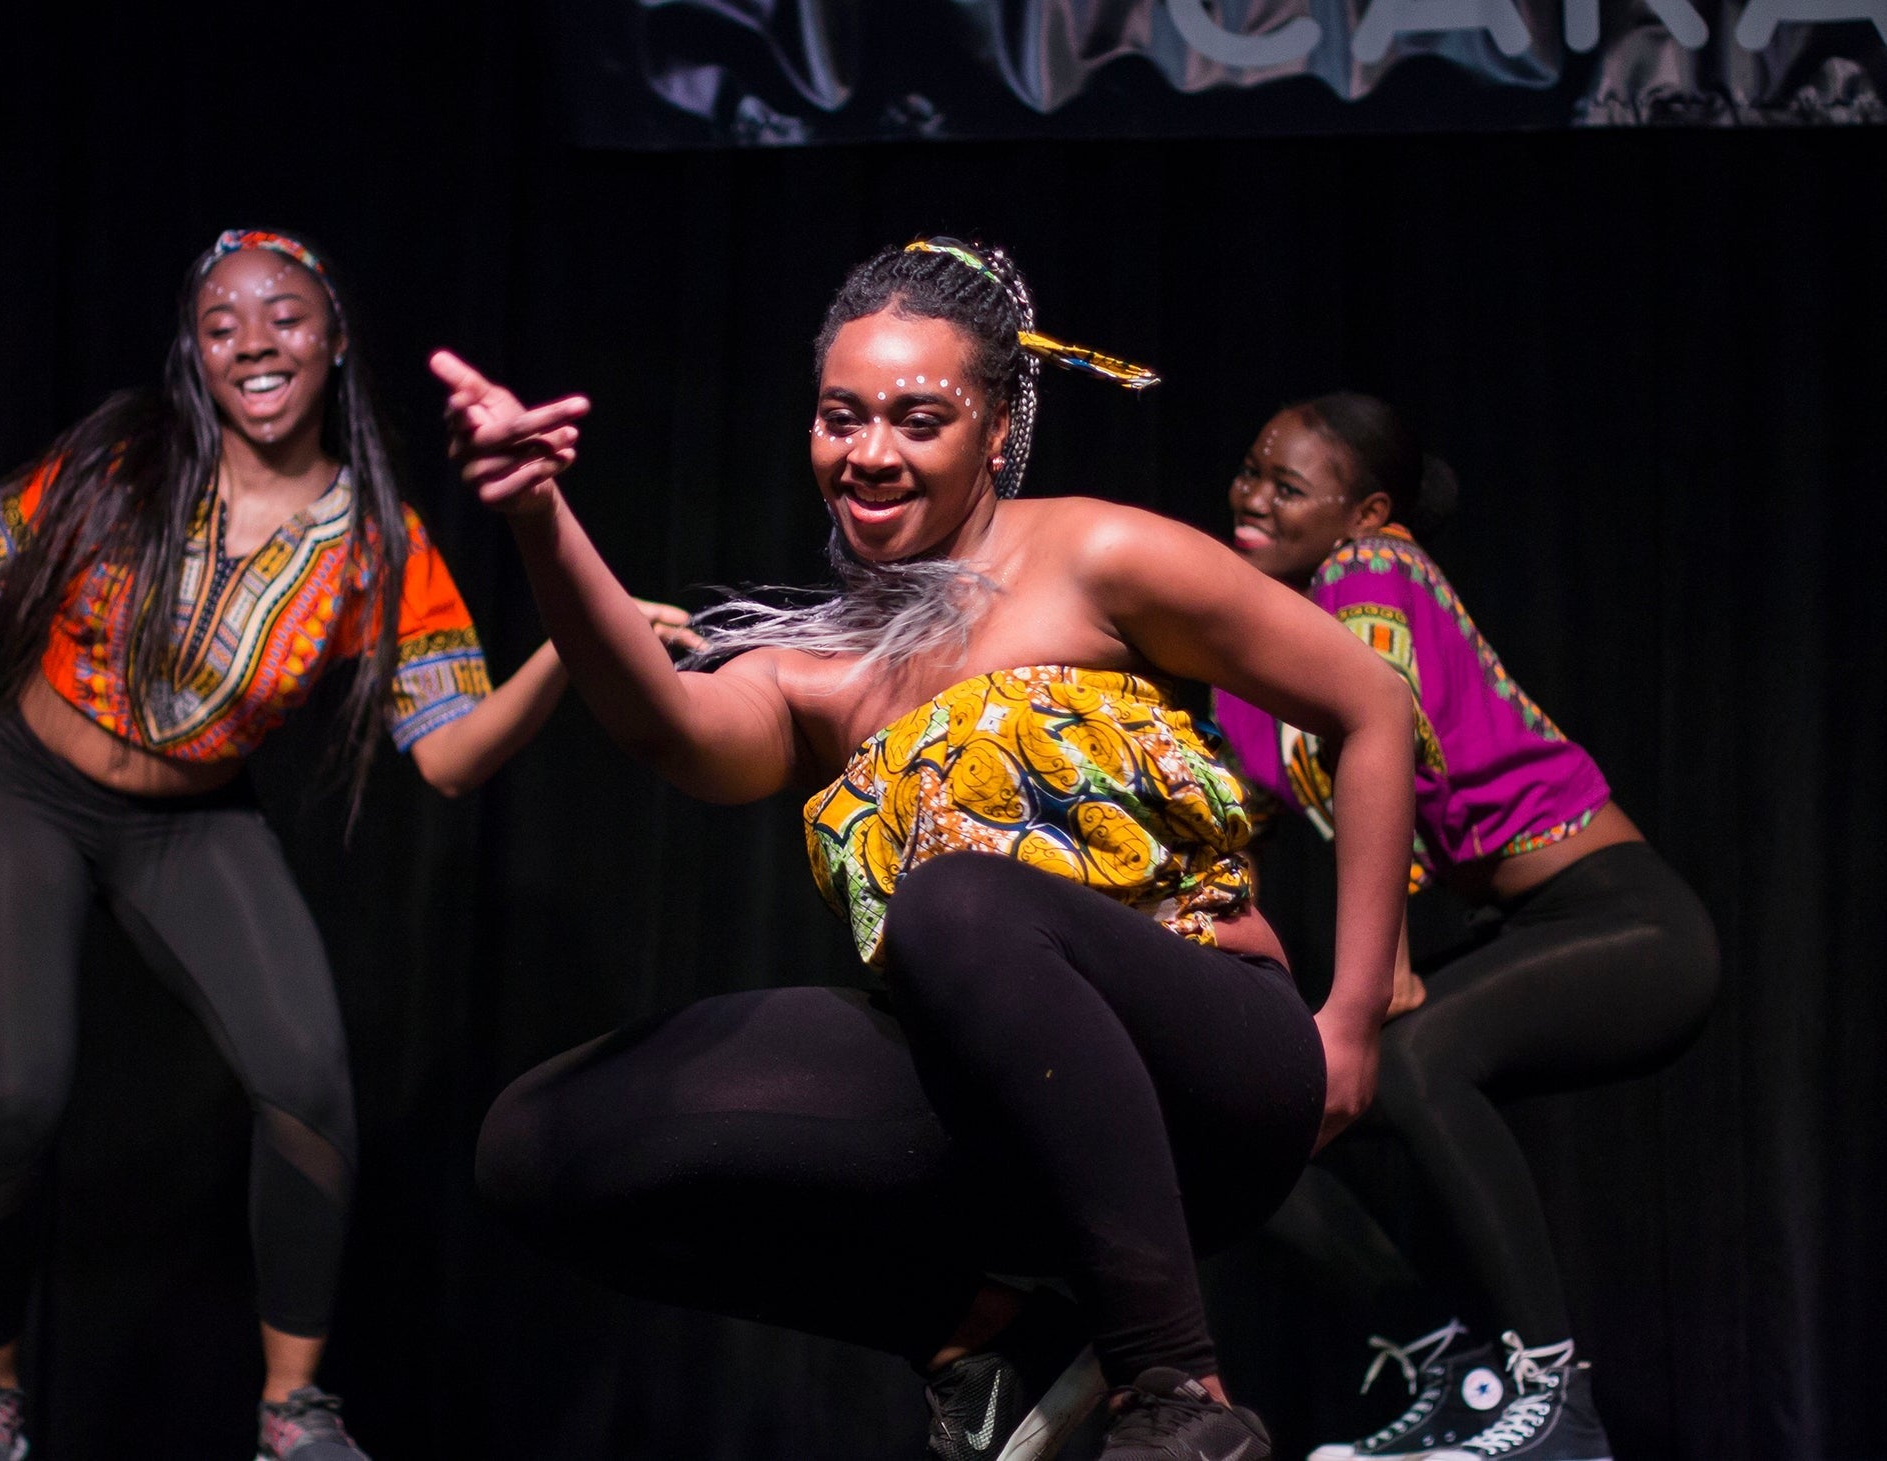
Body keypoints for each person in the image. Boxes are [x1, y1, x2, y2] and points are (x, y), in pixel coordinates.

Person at [435, 238, 1417, 1461]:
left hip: (1210, 1068)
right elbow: (668, 729)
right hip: (1005, 1116)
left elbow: (1374, 707)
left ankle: (1175, 1392)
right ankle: (994, 1339)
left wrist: (1356, 1015)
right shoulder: (819, 670)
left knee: (956, 905)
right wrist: (538, 516)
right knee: (539, 1143)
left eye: (919, 417)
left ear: (997, 428)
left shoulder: (1095, 558)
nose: (872, 452)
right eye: (841, 418)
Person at [0, 228, 690, 1461]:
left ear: (333, 340)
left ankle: (293, 1411)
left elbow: (449, 754)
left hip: (194, 823)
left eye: (283, 315)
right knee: (13, 1097)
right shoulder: (125, 461)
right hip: (29, 792)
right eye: (222, 320)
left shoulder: (372, 544)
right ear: (196, 350)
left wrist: (575, 646)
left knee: (310, 1081)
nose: (253, 340)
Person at [1211, 393, 1720, 1461]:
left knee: (1410, 1058)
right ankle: (1448, 1365)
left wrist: (1378, 965)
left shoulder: (1374, 573)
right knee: (1250, 1120)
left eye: (1287, 485)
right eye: (1252, 470)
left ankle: (1553, 1398)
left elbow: (1380, 746)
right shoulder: (1253, 673)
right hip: (1519, 928)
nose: (1253, 499)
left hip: (1629, 921)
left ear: (1369, 512)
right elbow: (1218, 832)